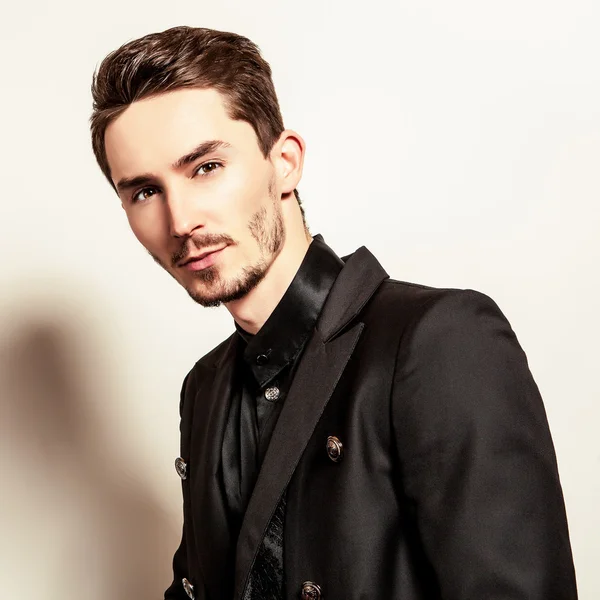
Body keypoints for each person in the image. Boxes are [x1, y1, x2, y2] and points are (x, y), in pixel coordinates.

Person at [90, 25, 578, 600]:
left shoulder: (439, 341)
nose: (180, 220)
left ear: (285, 163)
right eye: (144, 191)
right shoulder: (204, 388)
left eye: (205, 167)